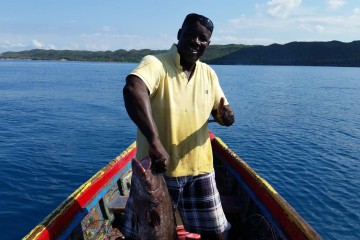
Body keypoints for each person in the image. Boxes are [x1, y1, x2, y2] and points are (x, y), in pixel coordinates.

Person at [122, 13, 235, 240]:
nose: (196, 42)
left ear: (208, 44)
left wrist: (227, 117)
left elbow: (220, 112)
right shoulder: (156, 64)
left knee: (217, 233)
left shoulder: (209, 74)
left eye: (202, 39)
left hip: (200, 170)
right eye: (191, 35)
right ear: (179, 34)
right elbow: (133, 88)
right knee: (147, 234)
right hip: (157, 173)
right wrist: (154, 141)